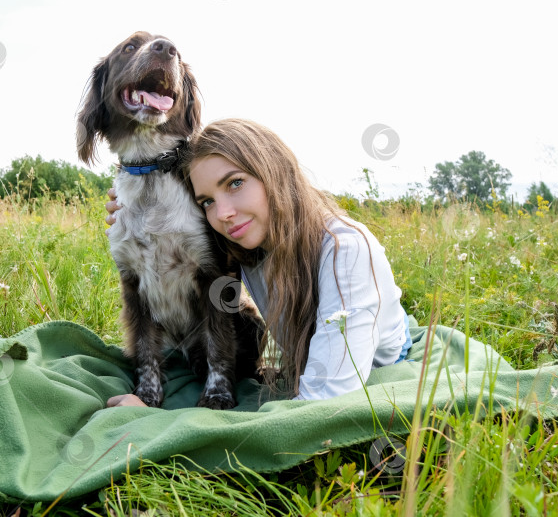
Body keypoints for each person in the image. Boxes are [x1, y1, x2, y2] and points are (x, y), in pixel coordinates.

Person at [106, 118, 413, 407]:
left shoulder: (346, 252)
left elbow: (323, 403)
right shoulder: (245, 242)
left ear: (273, 171)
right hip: (307, 358)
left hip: (379, 363)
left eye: (235, 183)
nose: (222, 212)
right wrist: (134, 211)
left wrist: (142, 415)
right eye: (207, 201)